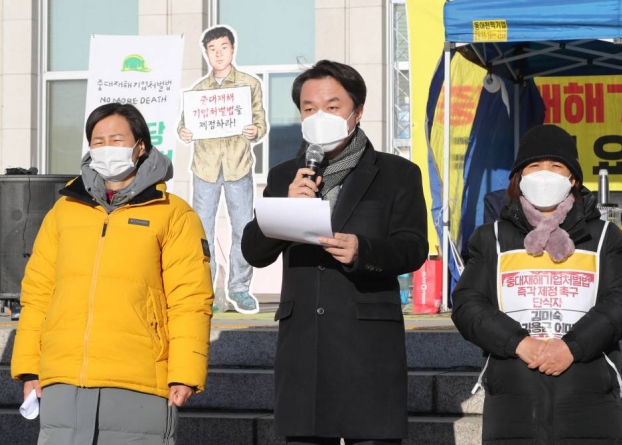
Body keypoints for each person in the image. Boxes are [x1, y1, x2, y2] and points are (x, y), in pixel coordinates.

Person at [241, 60, 428, 444]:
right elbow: (254, 251)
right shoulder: (284, 175)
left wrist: (365, 250)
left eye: (332, 106)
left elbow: (413, 248)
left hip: (367, 346)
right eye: (308, 108)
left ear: (357, 112)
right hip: (304, 347)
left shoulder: (398, 174)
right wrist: (286, 205)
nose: (318, 116)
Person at [11, 103, 214, 444]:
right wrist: (29, 368)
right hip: (62, 380)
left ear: (140, 146)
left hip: (139, 381)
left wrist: (185, 373)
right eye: (98, 140)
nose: (106, 148)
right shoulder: (64, 210)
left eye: (116, 139)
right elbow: (38, 292)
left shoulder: (174, 214)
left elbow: (190, 299)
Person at [451, 124, 622, 444]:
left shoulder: (604, 236)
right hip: (513, 402)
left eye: (556, 166)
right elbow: (469, 304)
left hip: (589, 399)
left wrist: (571, 346)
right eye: (534, 165)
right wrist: (519, 342)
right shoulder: (491, 238)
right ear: (519, 178)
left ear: (573, 179)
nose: (544, 174)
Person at [178, 25, 268, 314]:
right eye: (212, 49)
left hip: (237, 166)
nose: (218, 53)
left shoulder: (249, 84)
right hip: (204, 168)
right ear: (206, 53)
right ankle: (206, 290)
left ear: (232, 49)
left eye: (223, 47)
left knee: (243, 228)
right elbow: (184, 124)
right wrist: (184, 132)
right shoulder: (197, 91)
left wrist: (255, 131)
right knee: (202, 231)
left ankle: (239, 288)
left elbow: (261, 122)